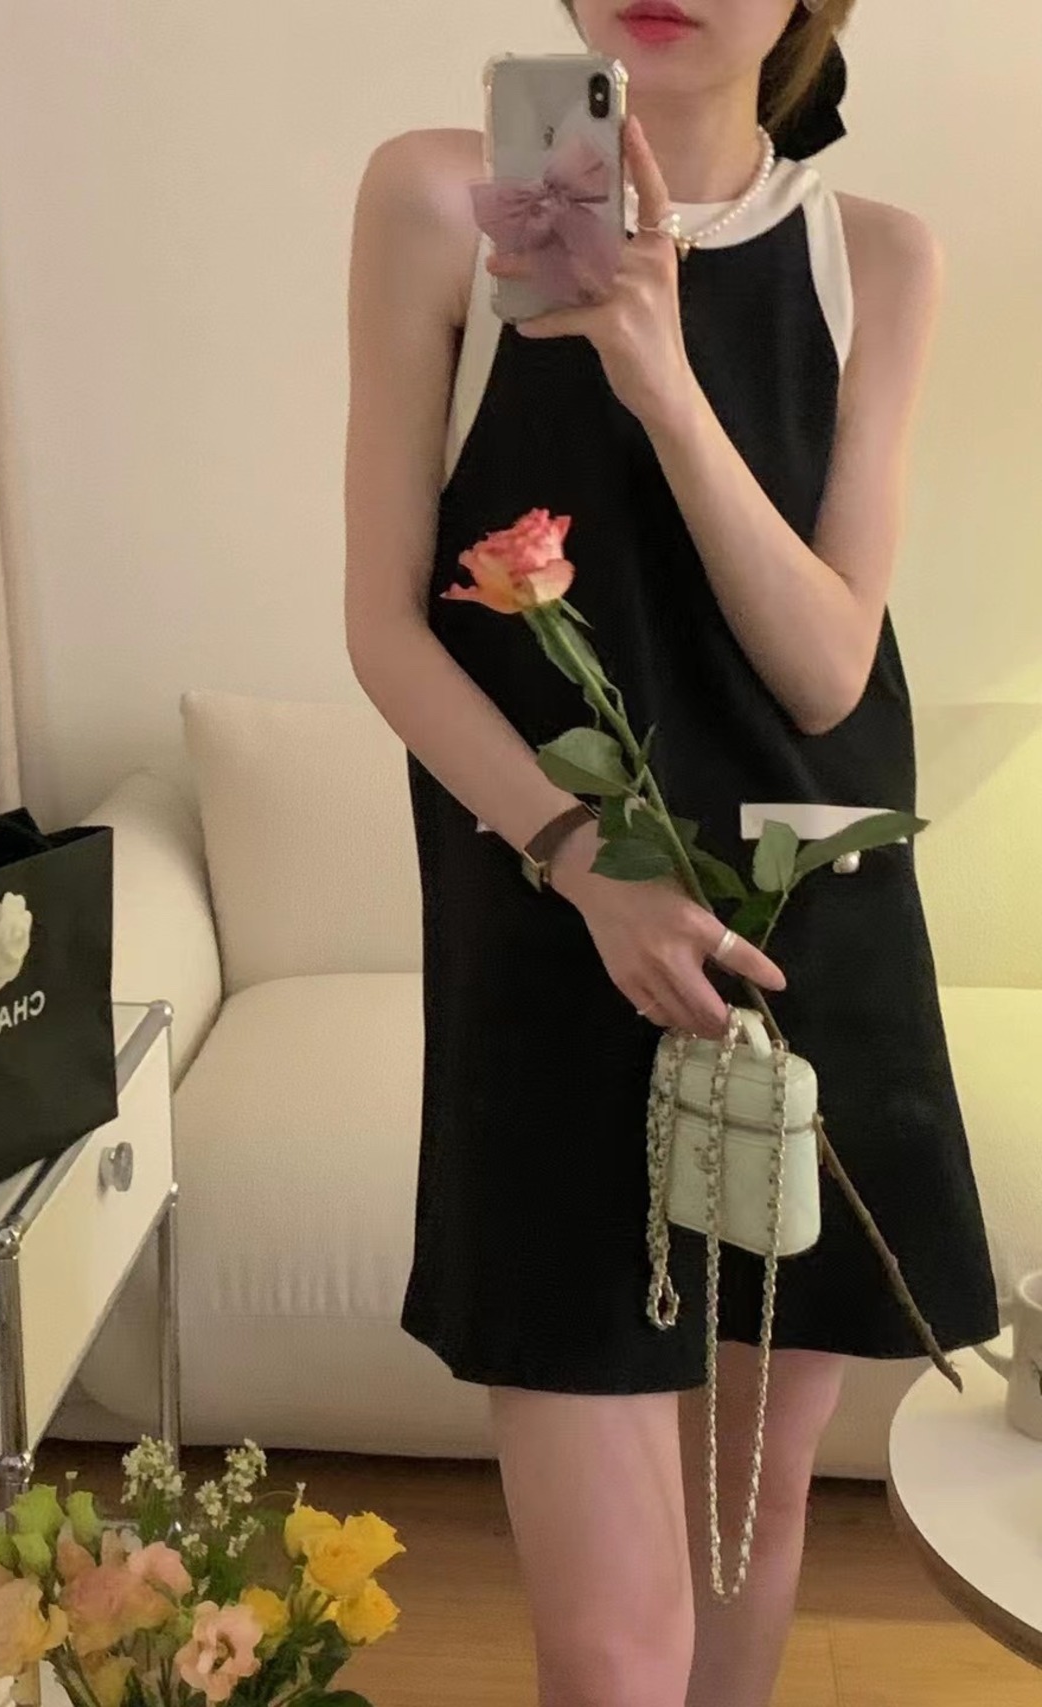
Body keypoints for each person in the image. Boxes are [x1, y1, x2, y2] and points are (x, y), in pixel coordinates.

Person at [343, 3, 1001, 1703]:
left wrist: (659, 368)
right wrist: (583, 860)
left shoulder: (877, 259)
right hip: (554, 935)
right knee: (617, 1644)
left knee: (746, 1534)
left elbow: (826, 667)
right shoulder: (437, 201)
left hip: (799, 949)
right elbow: (387, 630)